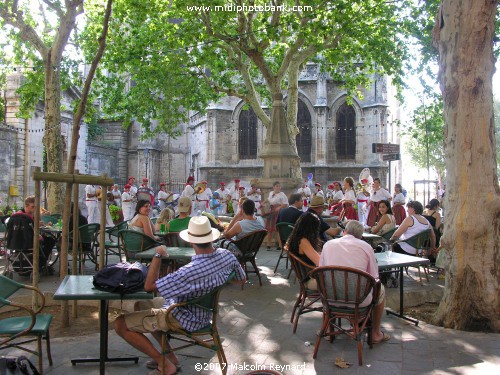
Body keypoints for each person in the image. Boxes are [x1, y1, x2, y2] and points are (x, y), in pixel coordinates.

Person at [114, 216, 246, 375]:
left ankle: (164, 364)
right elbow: (241, 279)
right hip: (205, 313)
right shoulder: (226, 255)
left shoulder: (188, 272)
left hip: (183, 316)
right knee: (140, 305)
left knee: (120, 324)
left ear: (191, 241)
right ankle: (171, 358)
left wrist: (157, 256)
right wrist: (214, 284)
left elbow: (149, 286)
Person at [320, 220, 389, 344]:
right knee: (380, 289)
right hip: (358, 301)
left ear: (344, 232)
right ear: (360, 236)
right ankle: (375, 333)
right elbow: (374, 278)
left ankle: (328, 331)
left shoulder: (328, 245)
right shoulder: (366, 247)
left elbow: (321, 272)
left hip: (329, 299)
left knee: (333, 285)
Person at [285, 212, 322, 290]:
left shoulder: (295, 238)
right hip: (310, 280)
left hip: (307, 277)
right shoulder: (303, 242)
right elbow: (319, 262)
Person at [263, 181, 288, 249]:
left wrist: (279, 207)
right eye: (277, 186)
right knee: (269, 227)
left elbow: (285, 204)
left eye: (279, 186)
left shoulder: (282, 194)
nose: (278, 187)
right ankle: (268, 243)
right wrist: (263, 202)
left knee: (277, 228)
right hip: (272, 211)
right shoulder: (271, 193)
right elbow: (268, 199)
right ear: (273, 187)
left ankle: (280, 244)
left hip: (278, 212)